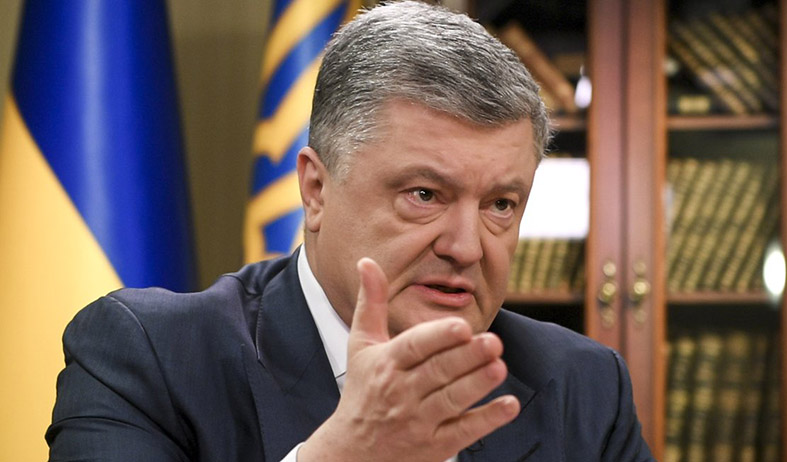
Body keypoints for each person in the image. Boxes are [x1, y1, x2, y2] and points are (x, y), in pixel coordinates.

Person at [47, 2, 654, 461]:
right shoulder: (150, 357)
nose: (467, 247)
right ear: (316, 190)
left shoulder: (584, 385)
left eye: (500, 204)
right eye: (424, 195)